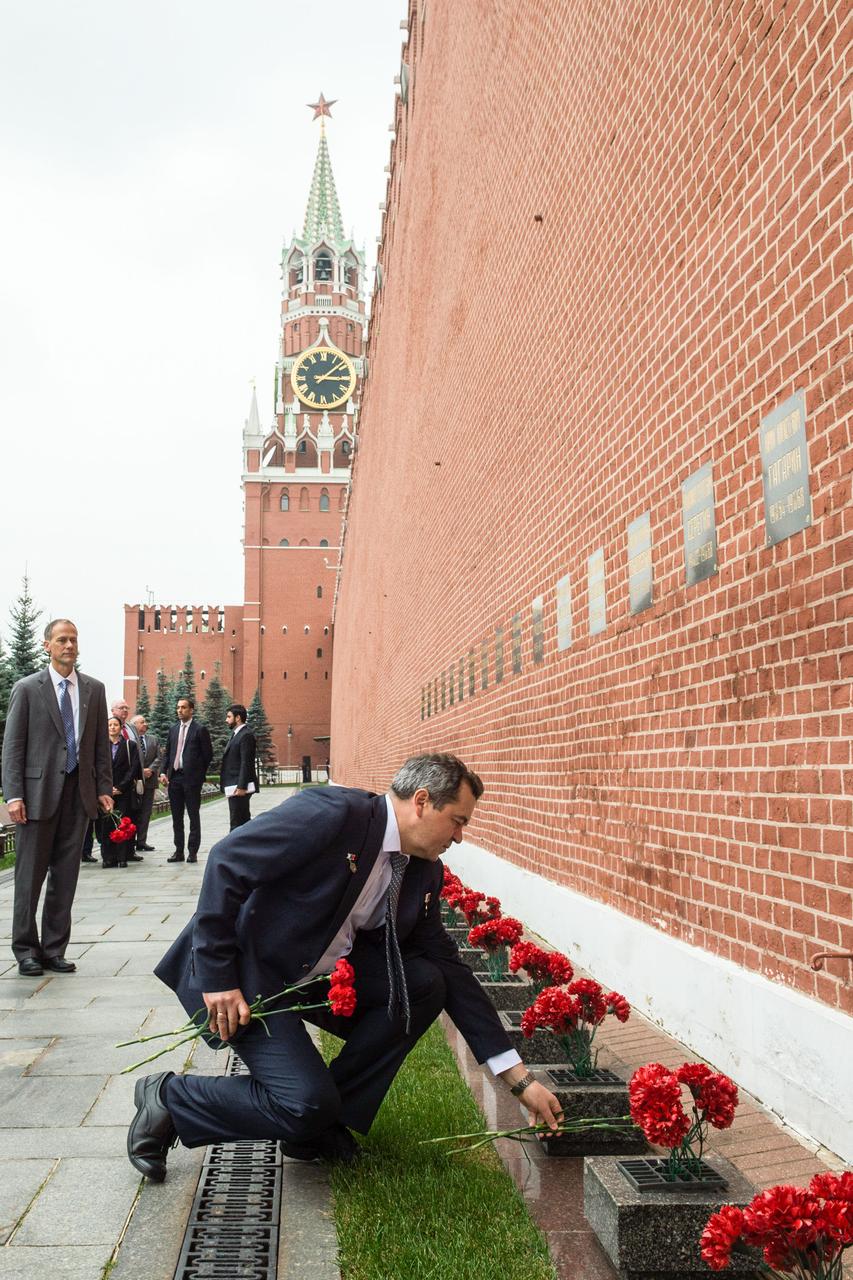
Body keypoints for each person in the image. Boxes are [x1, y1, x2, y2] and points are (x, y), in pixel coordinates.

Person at [126, 753, 563, 1181]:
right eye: (459, 820)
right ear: (423, 801)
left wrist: (520, 1080)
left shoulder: (422, 871)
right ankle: (169, 1098)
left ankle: (318, 1130)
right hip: (248, 976)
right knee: (305, 1103)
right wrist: (218, 977)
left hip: (317, 979)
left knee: (426, 983)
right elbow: (227, 861)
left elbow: (450, 968)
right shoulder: (334, 815)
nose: (461, 836)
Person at [2, 619, 113, 976]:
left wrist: (103, 789)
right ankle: (25, 950)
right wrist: (14, 794)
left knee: (65, 877)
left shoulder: (94, 690)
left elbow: (99, 747)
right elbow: (13, 746)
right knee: (29, 876)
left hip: (77, 794)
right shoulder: (28, 688)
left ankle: (53, 949)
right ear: (47, 645)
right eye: (62, 640)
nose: (69, 645)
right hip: (35, 796)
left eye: (74, 640)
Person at [159, 698, 213, 864]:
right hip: (175, 778)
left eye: (183, 707)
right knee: (176, 817)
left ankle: (192, 851)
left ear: (191, 710)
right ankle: (178, 851)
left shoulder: (200, 730)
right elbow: (168, 754)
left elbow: (207, 755)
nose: (180, 710)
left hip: (191, 780)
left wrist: (197, 774)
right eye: (178, 708)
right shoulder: (173, 729)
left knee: (193, 816)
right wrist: (162, 772)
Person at [97, 717, 142, 868]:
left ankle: (122, 857)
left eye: (115, 725)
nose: (112, 727)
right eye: (109, 725)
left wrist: (120, 787)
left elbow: (133, 769)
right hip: (105, 793)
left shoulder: (130, 746)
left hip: (124, 792)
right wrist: (106, 788)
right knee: (106, 825)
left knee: (122, 824)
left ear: (121, 727)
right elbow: (97, 768)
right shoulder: (101, 747)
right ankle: (108, 857)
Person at [219, 703, 258, 830]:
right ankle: (247, 847)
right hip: (234, 786)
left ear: (238, 718)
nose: (226, 720)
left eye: (229, 717)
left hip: (238, 787)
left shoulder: (245, 735)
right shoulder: (237, 734)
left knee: (236, 821)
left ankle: (233, 848)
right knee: (243, 820)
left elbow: (246, 762)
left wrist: (242, 786)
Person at [130, 714, 161, 852]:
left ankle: (142, 841)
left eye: (145, 722)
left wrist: (151, 770)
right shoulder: (130, 740)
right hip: (134, 781)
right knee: (133, 811)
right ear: (134, 725)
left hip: (150, 781)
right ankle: (130, 841)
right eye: (142, 722)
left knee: (146, 812)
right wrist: (141, 771)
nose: (145, 724)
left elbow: (159, 757)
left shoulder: (153, 740)